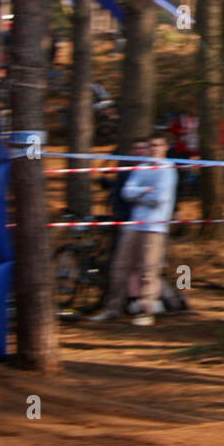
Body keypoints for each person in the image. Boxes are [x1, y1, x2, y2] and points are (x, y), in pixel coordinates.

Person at [92, 136, 178, 326]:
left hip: (155, 227)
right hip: (134, 225)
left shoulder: (167, 169)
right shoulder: (141, 167)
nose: (153, 149)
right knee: (119, 268)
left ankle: (145, 312)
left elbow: (160, 197)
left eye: (157, 145)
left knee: (148, 270)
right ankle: (112, 309)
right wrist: (146, 191)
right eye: (151, 146)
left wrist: (140, 193)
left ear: (164, 147)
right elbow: (126, 192)